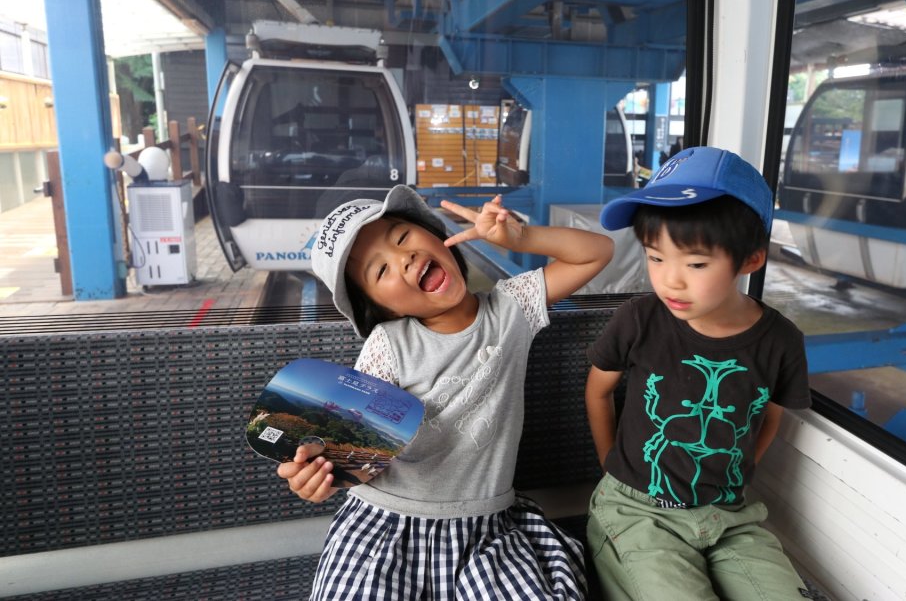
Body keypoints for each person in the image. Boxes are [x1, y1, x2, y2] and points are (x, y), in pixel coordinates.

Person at [278, 184, 613, 600]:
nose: (403, 258)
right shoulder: (387, 346)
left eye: (402, 236)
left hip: (487, 532)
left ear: (436, 234)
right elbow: (353, 450)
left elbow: (598, 251)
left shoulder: (512, 308)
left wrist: (520, 238)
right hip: (384, 526)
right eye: (380, 271)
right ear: (381, 307)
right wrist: (320, 477)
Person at [584, 146, 812, 600]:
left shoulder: (781, 340)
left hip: (731, 515)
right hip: (639, 510)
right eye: (655, 257)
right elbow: (598, 391)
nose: (671, 280)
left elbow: (768, 415)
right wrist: (612, 465)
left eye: (696, 264)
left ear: (750, 259)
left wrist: (735, 473)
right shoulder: (638, 320)